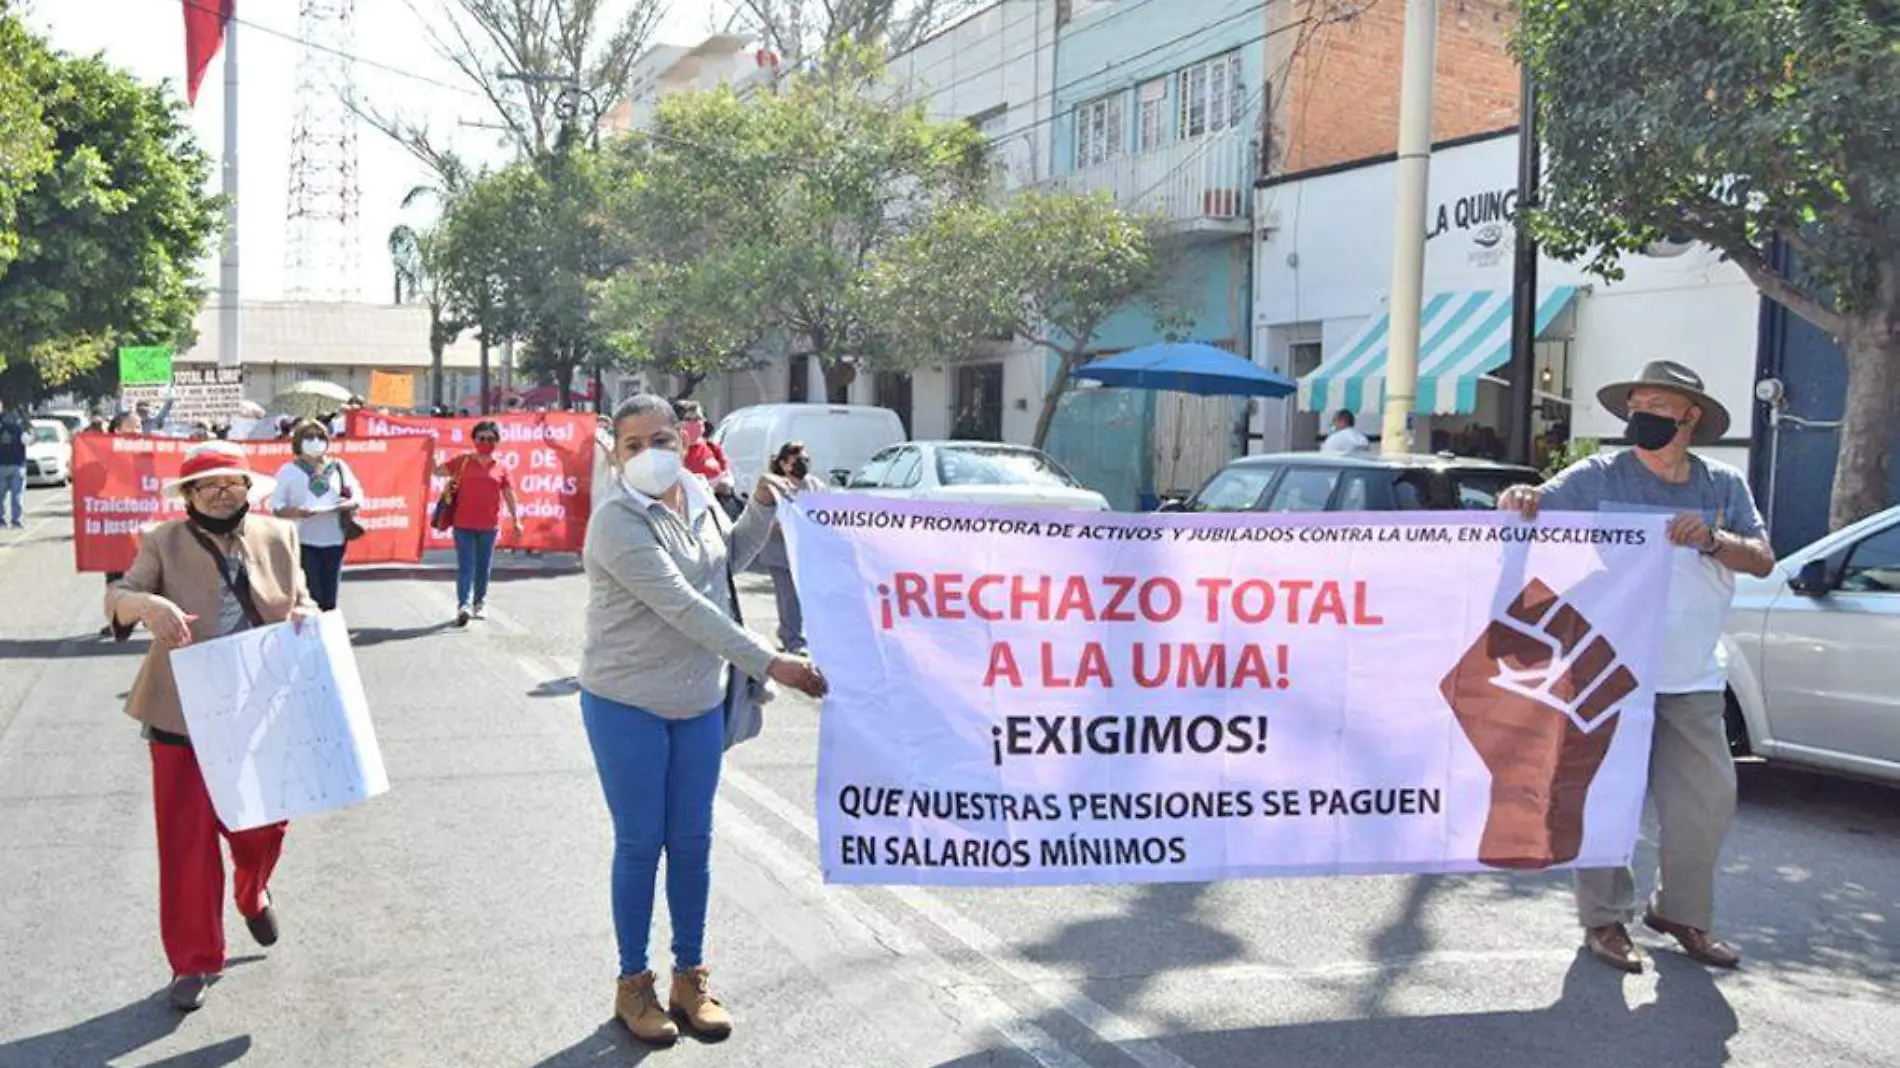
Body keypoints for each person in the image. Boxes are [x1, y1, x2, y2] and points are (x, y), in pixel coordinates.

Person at [1498, 359, 1774, 975]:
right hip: (1612, 670)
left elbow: (1760, 558)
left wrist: (1711, 539)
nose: (1638, 418)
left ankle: (1679, 912)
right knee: (1603, 800)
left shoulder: (1722, 485)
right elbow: (1536, 508)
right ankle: (1605, 922)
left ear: (1689, 418)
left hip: (1692, 675)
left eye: (1654, 408)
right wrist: (1522, 498)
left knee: (1707, 803)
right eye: (1635, 407)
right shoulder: (1599, 475)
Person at [581, 394, 828, 1046]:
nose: (649, 455)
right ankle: (634, 985)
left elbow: (726, 562)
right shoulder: (615, 520)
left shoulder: (694, 493)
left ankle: (690, 978)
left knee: (692, 841)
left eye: (661, 439)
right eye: (633, 445)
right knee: (641, 844)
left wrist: (762, 507)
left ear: (684, 440)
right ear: (615, 451)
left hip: (697, 703)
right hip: (625, 704)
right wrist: (774, 663)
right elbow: (686, 607)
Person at [105, 441, 318, 1011]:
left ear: (249, 488)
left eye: (234, 482)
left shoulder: (280, 536)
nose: (224, 492)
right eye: (210, 485)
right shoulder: (163, 541)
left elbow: (302, 600)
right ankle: (193, 962)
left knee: (261, 830)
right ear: (190, 495)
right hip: (182, 713)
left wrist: (306, 613)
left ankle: (251, 891)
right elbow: (118, 596)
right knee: (187, 845)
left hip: (261, 709)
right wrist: (146, 606)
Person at [270, 419, 363, 612]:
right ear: (298, 442)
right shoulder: (289, 471)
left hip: (334, 540)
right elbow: (276, 506)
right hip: (303, 541)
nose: (315, 441)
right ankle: (311, 638)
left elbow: (358, 495)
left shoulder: (338, 467)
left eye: (320, 436)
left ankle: (327, 637)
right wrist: (297, 512)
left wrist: (348, 504)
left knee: (329, 599)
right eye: (309, 437)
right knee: (311, 596)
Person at [435, 419, 522, 626]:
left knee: (483, 567)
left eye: (491, 439)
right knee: (466, 566)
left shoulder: (501, 468)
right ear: (473, 440)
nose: (486, 442)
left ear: (497, 441)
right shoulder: (462, 462)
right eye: (481, 438)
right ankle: (463, 605)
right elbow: (437, 471)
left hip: (489, 526)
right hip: (462, 524)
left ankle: (479, 602)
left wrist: (516, 520)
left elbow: (510, 495)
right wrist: (428, 451)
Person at [754, 441, 826, 655]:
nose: (803, 464)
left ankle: (808, 637)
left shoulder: (815, 485)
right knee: (789, 598)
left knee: (808, 597)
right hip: (780, 552)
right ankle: (792, 639)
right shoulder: (776, 486)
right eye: (798, 460)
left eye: (806, 459)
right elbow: (771, 520)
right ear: (784, 464)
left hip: (808, 551)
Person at [674, 400, 739, 518]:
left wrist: (726, 484)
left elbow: (728, 475)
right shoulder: (673, 452)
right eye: (688, 419)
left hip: (720, 511)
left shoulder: (712, 447)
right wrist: (710, 487)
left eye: (698, 419)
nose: (694, 423)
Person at [0, 400, 26, 529]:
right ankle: (16, 520)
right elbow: (29, 441)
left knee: (0, 495)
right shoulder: (19, 428)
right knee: (16, 495)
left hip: (1, 464)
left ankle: (0, 520)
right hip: (17, 464)